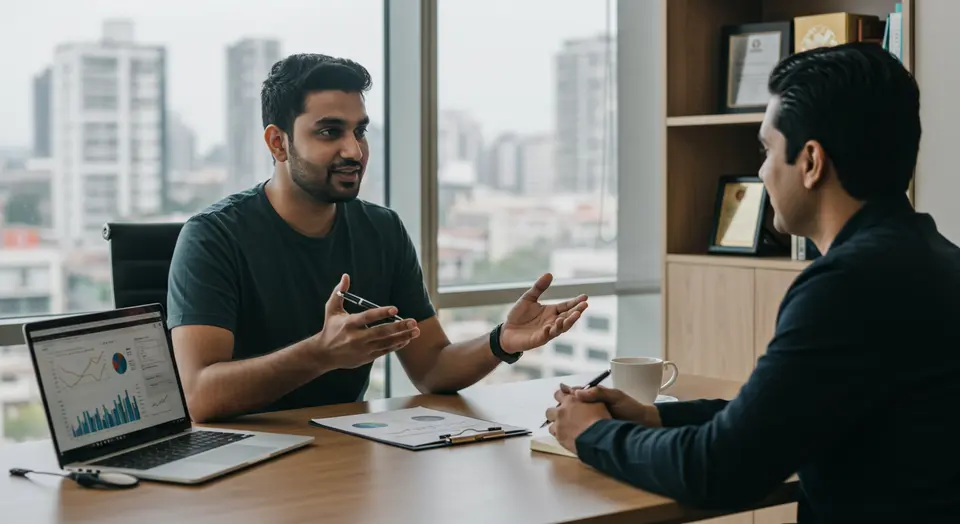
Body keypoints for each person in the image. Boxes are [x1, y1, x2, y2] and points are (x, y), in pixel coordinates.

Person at [546, 42, 960, 523]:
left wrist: (591, 435)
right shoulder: (935, 260)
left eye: (766, 149)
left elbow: (720, 469)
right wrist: (655, 415)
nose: (762, 171)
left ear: (810, 162)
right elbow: (784, 414)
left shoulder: (847, 286)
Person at [166, 53, 588, 423]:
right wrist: (320, 353)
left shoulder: (382, 230)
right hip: (241, 468)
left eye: (360, 131)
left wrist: (501, 341)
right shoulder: (212, 237)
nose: (354, 151)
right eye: (330, 132)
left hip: (343, 456)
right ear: (279, 143)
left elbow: (432, 368)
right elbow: (200, 395)